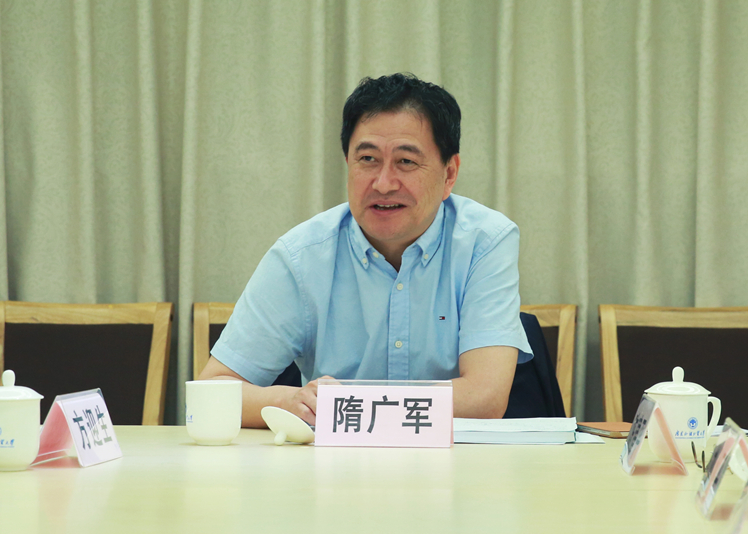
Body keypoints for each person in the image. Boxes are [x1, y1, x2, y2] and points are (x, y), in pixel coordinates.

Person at [199, 73, 532, 427]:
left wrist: (348, 406)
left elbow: (485, 397)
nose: (383, 184)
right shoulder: (302, 256)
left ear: (449, 174)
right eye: (368, 159)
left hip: (453, 458)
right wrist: (289, 401)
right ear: (348, 164)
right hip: (334, 461)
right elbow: (210, 392)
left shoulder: (485, 242)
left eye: (406, 162)